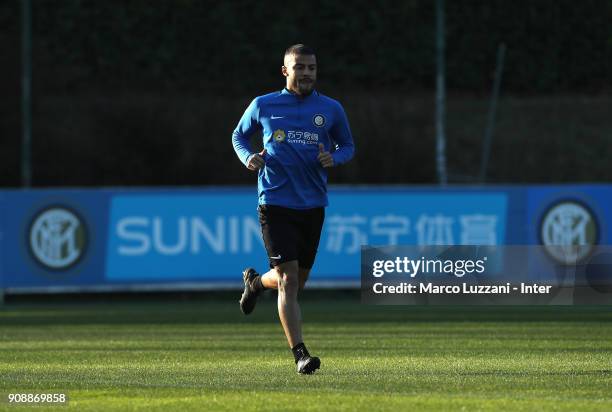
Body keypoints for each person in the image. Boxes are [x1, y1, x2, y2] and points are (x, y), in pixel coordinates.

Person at [231, 44, 355, 374]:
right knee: (287, 281)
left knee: (296, 283)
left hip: (313, 204)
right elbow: (238, 136)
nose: (307, 73)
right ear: (285, 70)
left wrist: (335, 157)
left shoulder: (330, 109)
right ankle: (300, 354)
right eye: (300, 67)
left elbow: (348, 145)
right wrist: (248, 157)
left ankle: (256, 284)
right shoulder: (264, 104)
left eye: (312, 68)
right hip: (274, 202)